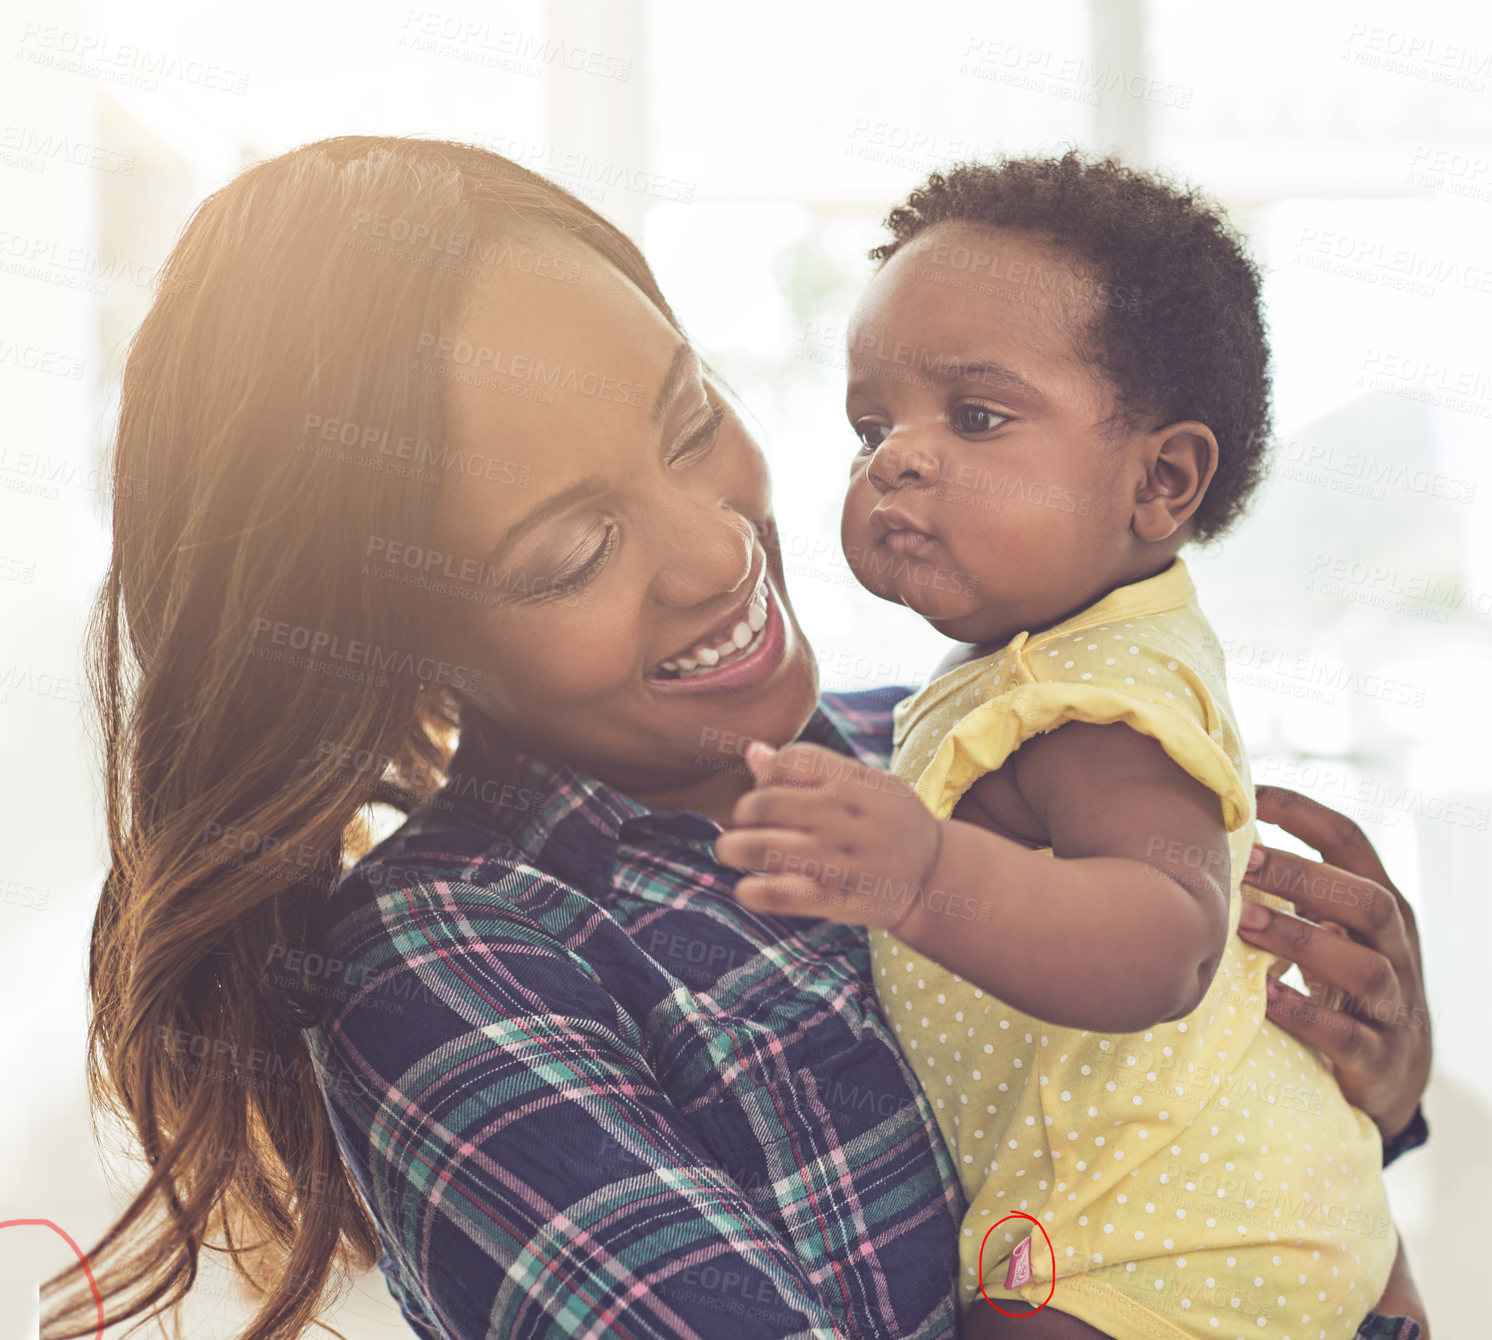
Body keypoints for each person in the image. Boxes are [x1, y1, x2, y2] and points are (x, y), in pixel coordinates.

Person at [41, 137, 1431, 1340]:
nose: (717, 552)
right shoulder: (455, 961)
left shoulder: (961, 749)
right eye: (573, 547)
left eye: (689, 416)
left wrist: (1352, 1079)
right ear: (398, 638)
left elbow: (1209, 1152)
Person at [712, 154, 1430, 1340]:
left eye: (977, 417)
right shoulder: (1035, 660)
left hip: (1162, 1234)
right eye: (871, 425)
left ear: (1160, 480)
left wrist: (926, 874)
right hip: (1190, 1204)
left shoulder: (1088, 699)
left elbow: (1168, 941)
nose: (897, 456)